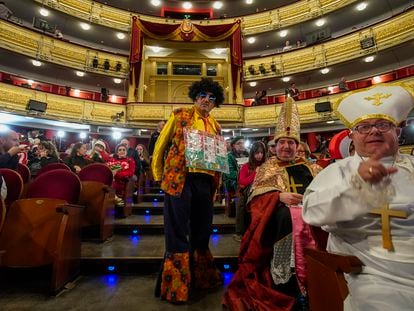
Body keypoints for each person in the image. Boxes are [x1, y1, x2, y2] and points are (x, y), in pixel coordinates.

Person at [302, 84, 414, 310]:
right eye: (363, 127)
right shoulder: (338, 170)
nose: (374, 131)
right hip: (371, 272)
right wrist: (357, 186)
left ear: (397, 132)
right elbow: (312, 212)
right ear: (352, 136)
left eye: (383, 125)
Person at [223, 97, 322, 310]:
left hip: (313, 220)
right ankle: (285, 281)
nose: (286, 147)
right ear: (275, 146)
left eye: (291, 143)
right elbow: (254, 199)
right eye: (282, 143)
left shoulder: (312, 168)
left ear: (297, 146)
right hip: (280, 224)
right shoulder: (267, 168)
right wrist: (277, 197)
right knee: (286, 218)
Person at [151, 77, 225, 304]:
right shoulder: (179, 115)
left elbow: (217, 157)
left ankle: (199, 279)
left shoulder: (216, 125)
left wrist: (217, 184)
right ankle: (175, 287)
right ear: (195, 97)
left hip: (204, 183)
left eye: (211, 98)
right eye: (203, 95)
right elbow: (160, 146)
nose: (206, 100)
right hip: (179, 180)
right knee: (176, 231)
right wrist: (158, 174)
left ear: (215, 103)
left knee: (202, 231)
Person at [234, 141, 266, 242]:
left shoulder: (267, 166)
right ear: (252, 154)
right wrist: (255, 173)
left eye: (261, 153)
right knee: (241, 203)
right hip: (248, 192)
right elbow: (242, 181)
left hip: (264, 191)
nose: (259, 155)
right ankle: (240, 232)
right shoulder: (246, 166)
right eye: (257, 153)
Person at [223, 136, 249, 216]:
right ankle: (241, 212)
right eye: (239, 143)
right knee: (242, 186)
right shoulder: (229, 156)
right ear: (233, 145)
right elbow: (230, 173)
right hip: (231, 181)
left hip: (246, 179)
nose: (242, 145)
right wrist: (243, 177)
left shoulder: (248, 155)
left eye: (243, 143)